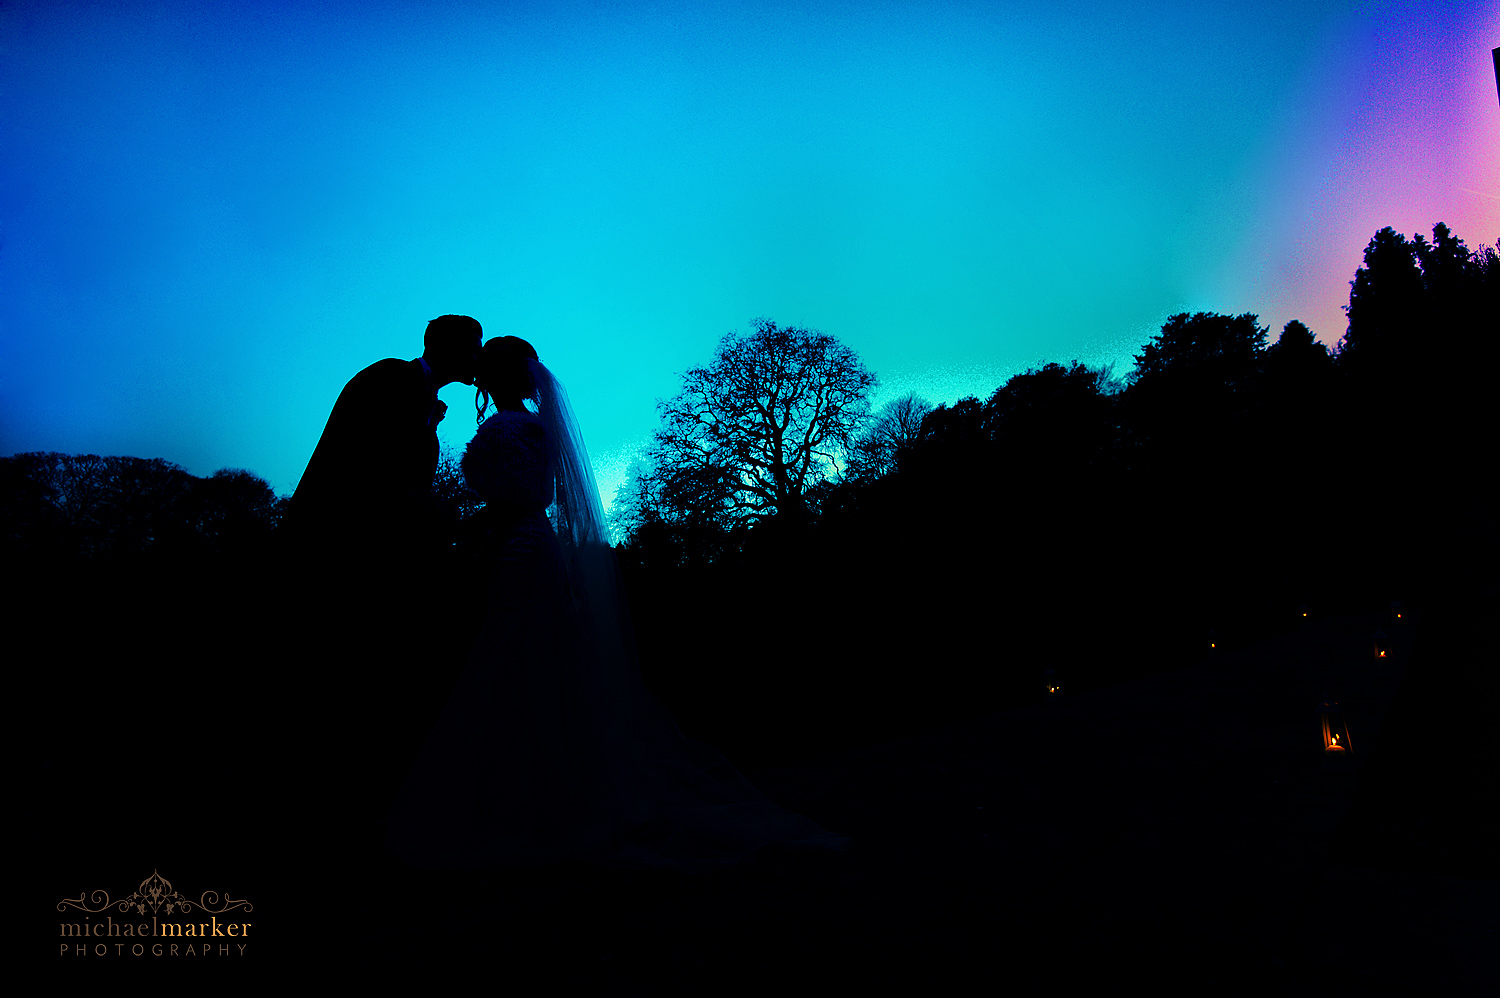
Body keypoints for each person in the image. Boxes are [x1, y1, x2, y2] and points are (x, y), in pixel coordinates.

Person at [385, 336, 849, 871]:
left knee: (516, 654)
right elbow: (537, 495)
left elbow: (514, 497)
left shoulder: (510, 428)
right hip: (532, 544)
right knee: (531, 656)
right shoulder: (535, 429)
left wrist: (469, 522)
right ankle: (546, 792)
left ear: (495, 379)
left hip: (517, 544)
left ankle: (528, 802)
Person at [277, 315, 483, 826]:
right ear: (450, 347)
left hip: (380, 549)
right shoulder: (390, 378)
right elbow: (364, 466)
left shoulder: (415, 391)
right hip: (346, 550)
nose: (477, 359)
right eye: (473, 347)